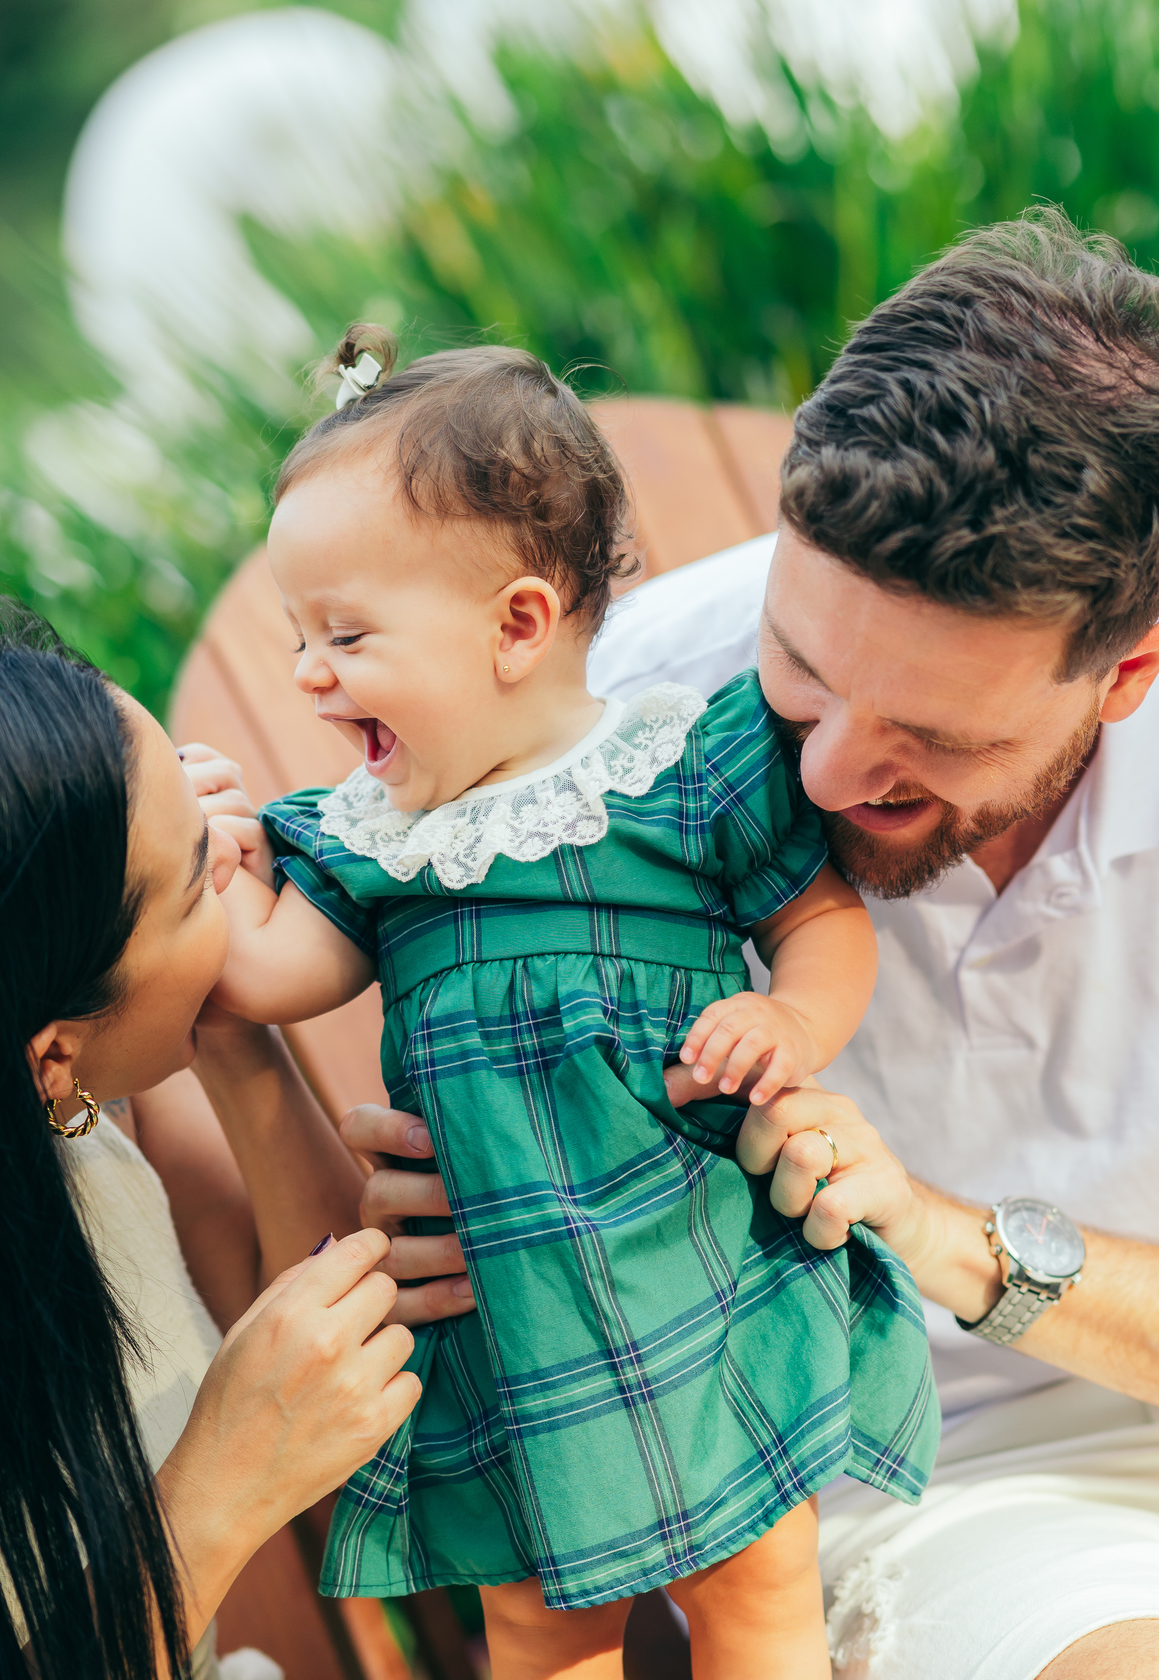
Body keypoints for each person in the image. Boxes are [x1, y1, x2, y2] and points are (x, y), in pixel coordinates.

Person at [210, 328, 939, 1678]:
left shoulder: (678, 774)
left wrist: (789, 1024)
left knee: (758, 1596)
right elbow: (259, 975)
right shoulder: (379, 841)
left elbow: (822, 924)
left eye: (347, 634)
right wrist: (215, 854)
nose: (309, 674)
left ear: (518, 625)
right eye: (297, 639)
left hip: (705, 1270)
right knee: (539, 1635)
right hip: (512, 1321)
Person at [584, 207, 1159, 1678]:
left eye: (930, 737)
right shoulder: (620, 725)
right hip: (921, 1487)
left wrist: (947, 1234)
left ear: (1129, 671)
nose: (832, 772)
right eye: (800, 663)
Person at [0, 596, 435, 1680]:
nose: (231, 856)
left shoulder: (58, 1123)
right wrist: (215, 1490)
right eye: (191, 883)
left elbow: (292, 1311)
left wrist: (225, 1028)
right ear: (49, 1053)